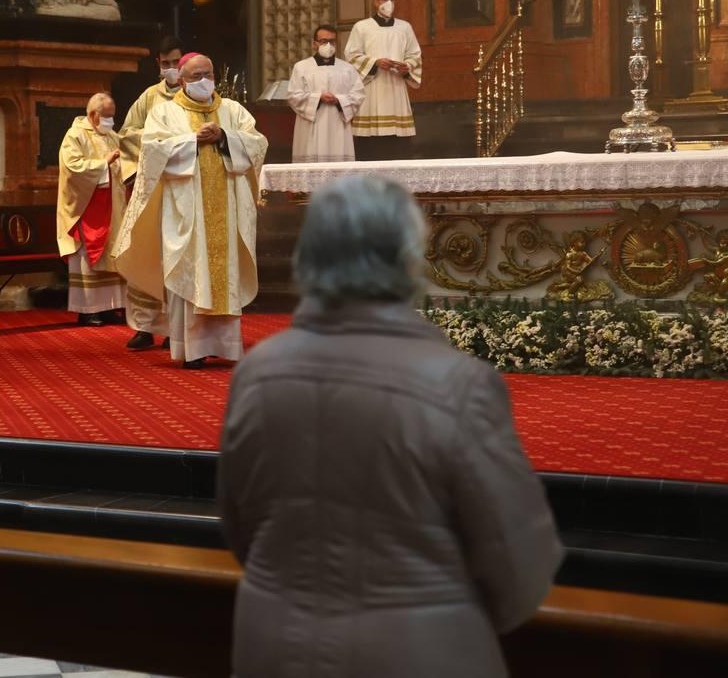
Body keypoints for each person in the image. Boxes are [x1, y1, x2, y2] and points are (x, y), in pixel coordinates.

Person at [218, 174, 563, 678]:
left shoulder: (257, 373)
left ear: (307, 256)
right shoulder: (457, 385)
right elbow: (519, 570)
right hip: (419, 652)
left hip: (274, 643)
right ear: (408, 257)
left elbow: (240, 527)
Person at [112, 52, 268, 369]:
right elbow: (152, 152)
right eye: (196, 76)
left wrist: (225, 136)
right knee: (191, 271)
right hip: (186, 209)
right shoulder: (165, 113)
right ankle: (191, 349)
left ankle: (225, 346)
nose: (204, 81)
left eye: (208, 74)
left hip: (227, 209)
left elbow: (257, 143)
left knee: (223, 275)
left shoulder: (233, 111)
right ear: (181, 80)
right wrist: (190, 140)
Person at [117, 36, 183, 350]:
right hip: (149, 187)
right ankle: (144, 326)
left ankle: (174, 327)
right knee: (146, 253)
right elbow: (127, 135)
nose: (171, 69)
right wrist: (160, 140)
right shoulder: (148, 97)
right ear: (158, 63)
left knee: (175, 257)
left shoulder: (194, 98)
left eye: (176, 63)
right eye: (166, 63)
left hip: (181, 189)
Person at [58, 92, 127, 326]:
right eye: (106, 116)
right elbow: (72, 167)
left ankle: (108, 307)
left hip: (113, 207)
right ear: (92, 115)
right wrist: (103, 164)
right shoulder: (75, 135)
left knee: (112, 254)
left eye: (112, 116)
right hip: (88, 208)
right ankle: (88, 310)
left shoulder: (111, 136)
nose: (110, 121)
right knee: (89, 259)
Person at [345, 0, 423, 160]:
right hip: (372, 88)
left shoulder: (404, 27)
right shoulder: (362, 27)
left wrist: (406, 66)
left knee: (398, 148)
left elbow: (415, 55)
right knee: (371, 148)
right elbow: (351, 55)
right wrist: (375, 62)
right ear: (375, 2)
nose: (388, 3)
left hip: (396, 88)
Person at [286, 24, 365, 163]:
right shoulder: (302, 67)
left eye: (332, 41)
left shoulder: (347, 68)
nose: (328, 45)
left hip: (338, 125)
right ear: (314, 44)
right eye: (323, 41)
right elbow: (293, 96)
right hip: (311, 126)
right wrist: (318, 98)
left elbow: (358, 95)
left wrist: (339, 100)